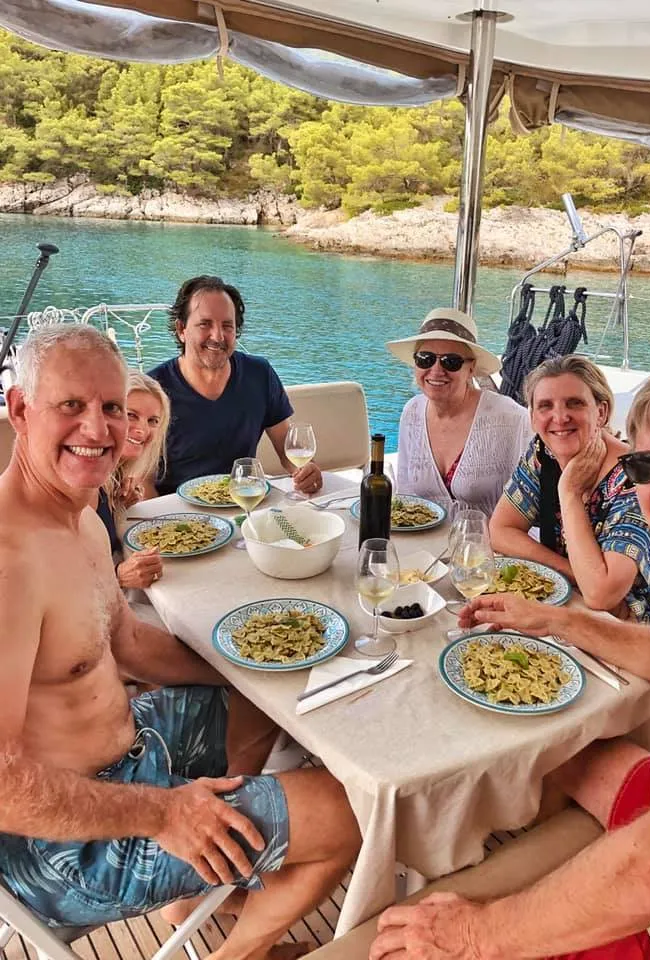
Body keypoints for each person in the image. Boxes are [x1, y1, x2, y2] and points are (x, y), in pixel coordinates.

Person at [0, 325, 359, 960]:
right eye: (71, 406)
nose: (100, 427)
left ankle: (214, 863)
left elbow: (132, 646)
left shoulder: (78, 514)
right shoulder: (8, 563)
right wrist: (164, 815)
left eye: (111, 407)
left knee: (275, 706)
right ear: (21, 409)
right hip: (60, 846)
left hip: (129, 751)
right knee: (350, 813)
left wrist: (255, 671)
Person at [371, 361, 650, 960]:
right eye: (648, 465)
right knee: (544, 756)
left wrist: (475, 933)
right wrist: (555, 619)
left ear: (601, 414)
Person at [490, 354, 650, 625]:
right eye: (545, 406)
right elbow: (500, 531)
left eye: (575, 403)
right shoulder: (542, 453)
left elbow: (600, 594)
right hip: (572, 603)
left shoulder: (636, 479)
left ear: (602, 412)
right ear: (533, 417)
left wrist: (569, 492)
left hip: (647, 629)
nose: (559, 417)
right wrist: (574, 572)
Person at [149, 275, 322, 496]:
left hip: (244, 502)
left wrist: (306, 471)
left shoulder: (259, 374)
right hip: (177, 513)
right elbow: (143, 480)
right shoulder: (154, 389)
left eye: (227, 326)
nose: (218, 336)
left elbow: (288, 451)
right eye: (205, 324)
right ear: (181, 329)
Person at [387, 308, 532, 516]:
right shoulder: (412, 412)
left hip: (490, 545)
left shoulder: (511, 418)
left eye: (451, 361)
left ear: (471, 368)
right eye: (425, 359)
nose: (436, 370)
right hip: (424, 541)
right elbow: (406, 494)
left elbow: (534, 501)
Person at [96, 371, 170, 590]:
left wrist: (119, 506)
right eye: (131, 415)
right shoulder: (85, 481)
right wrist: (118, 577)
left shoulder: (113, 476)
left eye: (153, 421)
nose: (142, 430)